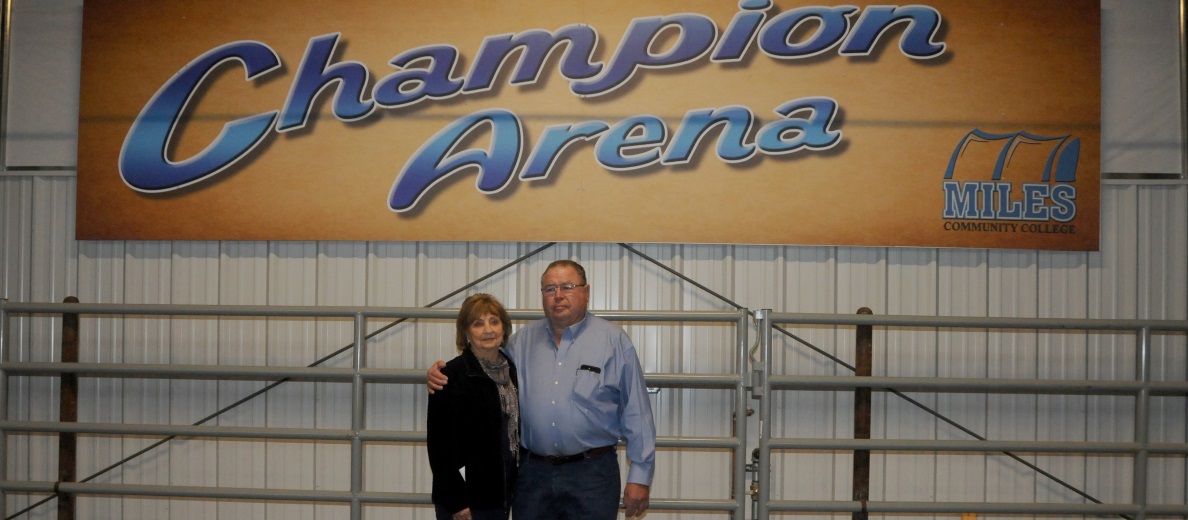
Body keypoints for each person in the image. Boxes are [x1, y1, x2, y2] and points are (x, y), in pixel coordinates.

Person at [428, 260, 656, 520]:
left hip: (593, 475)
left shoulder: (613, 341)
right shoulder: (521, 342)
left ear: (586, 292)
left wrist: (640, 476)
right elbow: (483, 364)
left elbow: (637, 412)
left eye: (567, 287)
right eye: (549, 289)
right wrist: (440, 371)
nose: (558, 296)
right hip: (532, 476)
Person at [427, 293, 520, 520]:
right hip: (466, 500)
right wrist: (456, 502)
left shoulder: (512, 371)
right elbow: (439, 447)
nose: (488, 329)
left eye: (494, 321)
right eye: (478, 324)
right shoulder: (450, 375)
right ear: (466, 333)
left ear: (504, 328)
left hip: (500, 495)